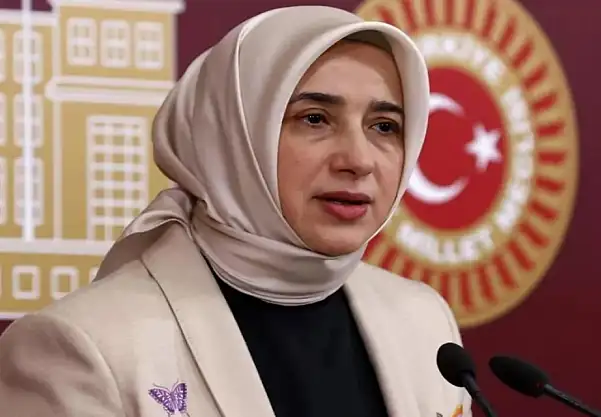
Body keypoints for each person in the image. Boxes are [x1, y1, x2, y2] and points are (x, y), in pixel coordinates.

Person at [0, 6, 471, 417]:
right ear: (232, 136)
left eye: (384, 126)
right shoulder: (84, 346)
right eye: (314, 119)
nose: (359, 160)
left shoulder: (424, 320)